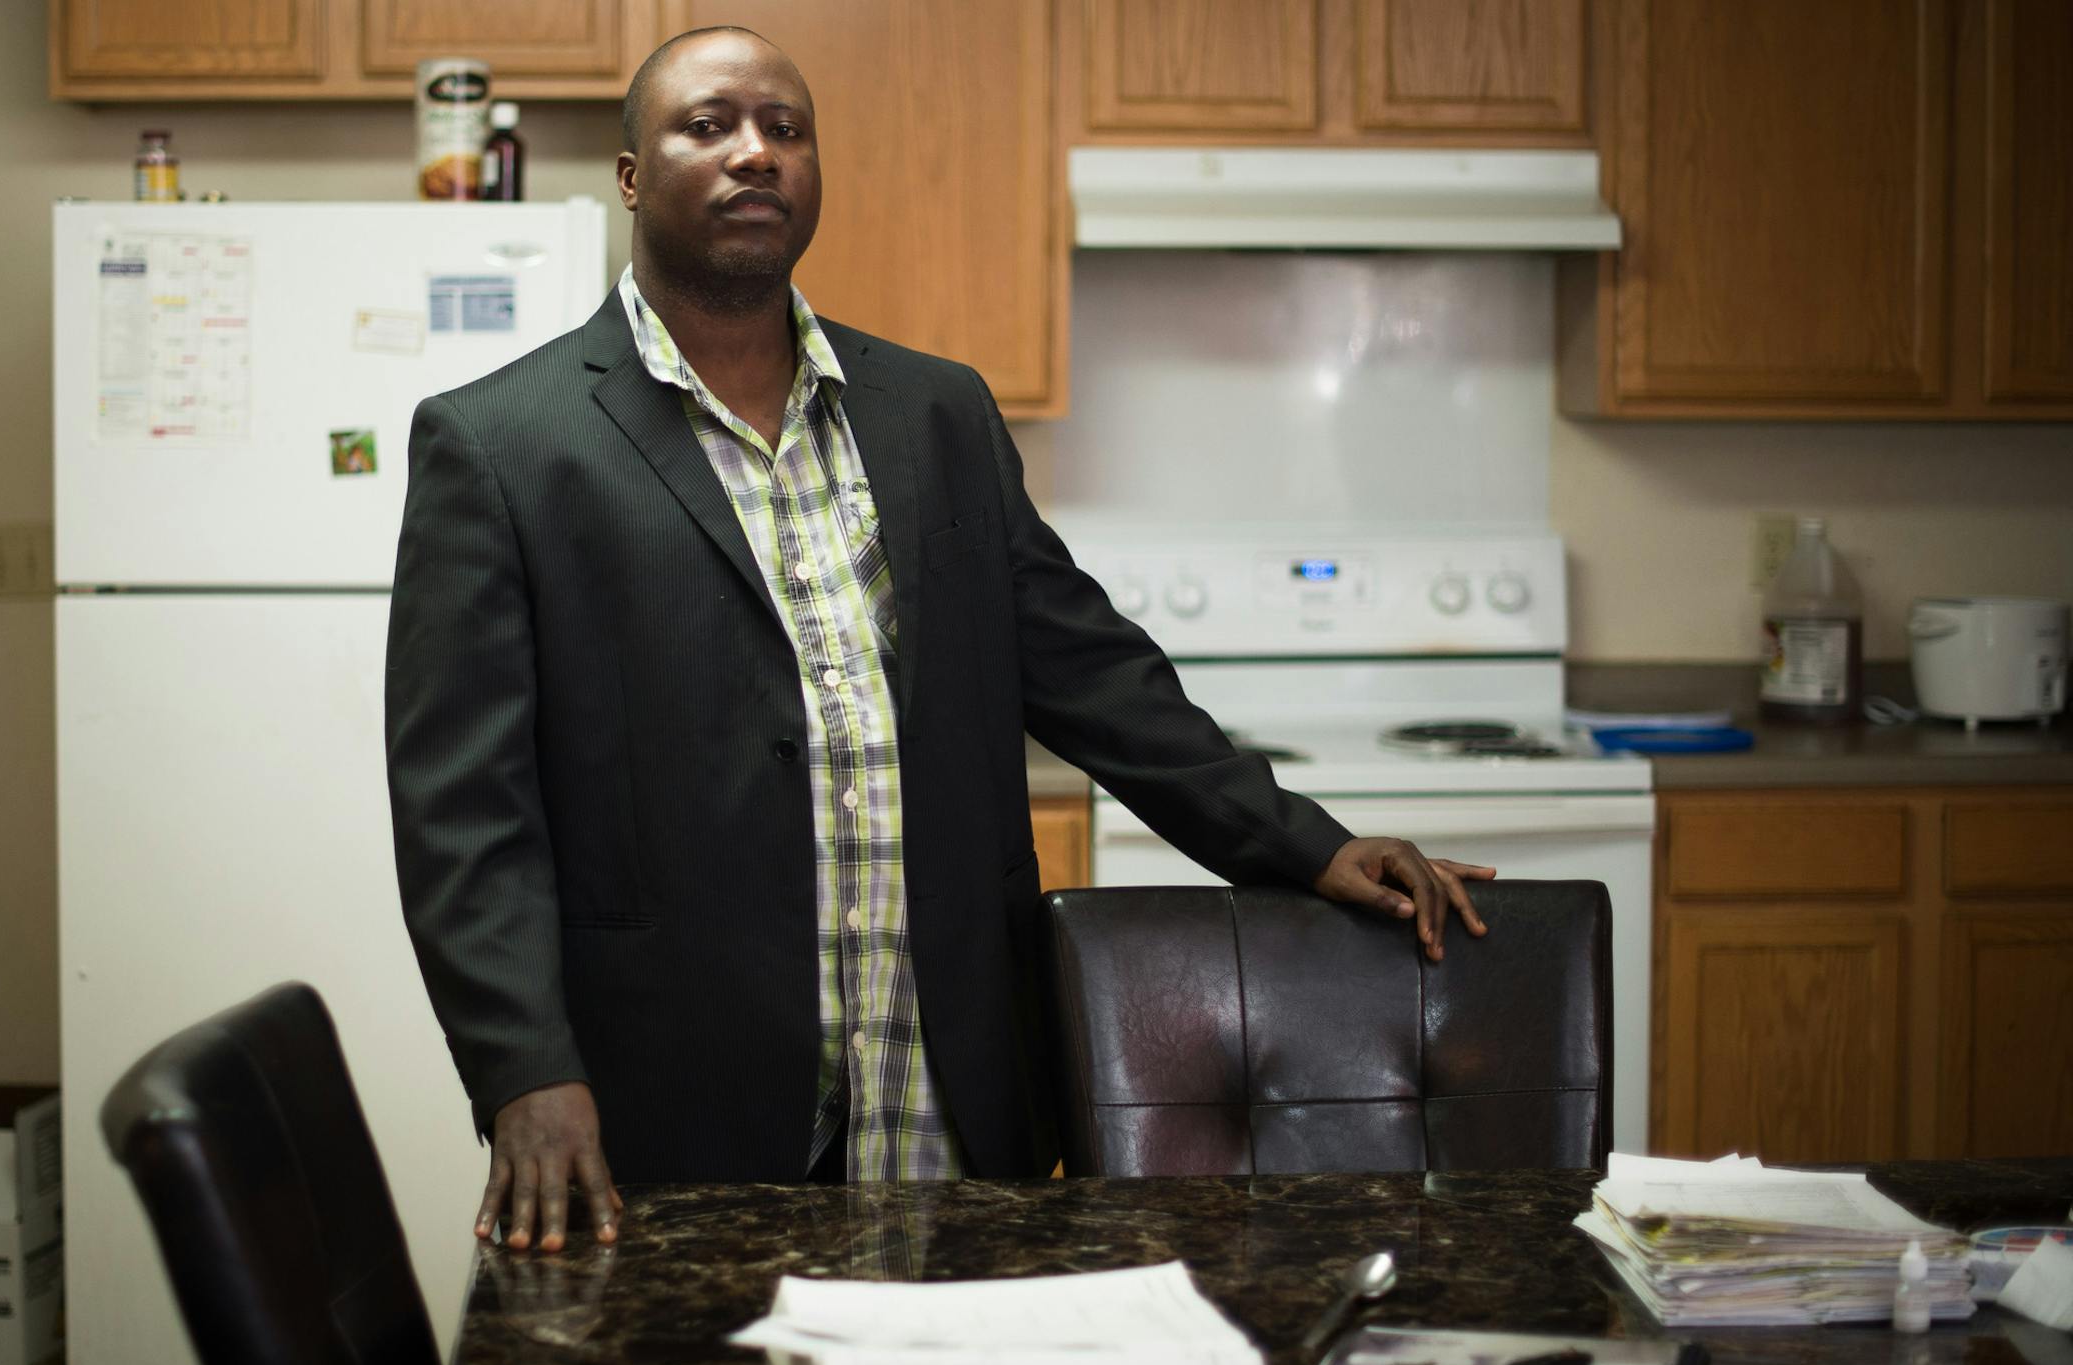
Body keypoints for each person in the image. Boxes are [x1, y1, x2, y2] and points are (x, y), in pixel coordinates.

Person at [385, 26, 1494, 1256]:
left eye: (787, 129)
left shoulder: (934, 412)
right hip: (675, 1102)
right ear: (633, 176)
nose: (756, 152)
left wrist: (1306, 843)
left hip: (948, 1087)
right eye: (710, 125)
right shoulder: (501, 446)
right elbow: (463, 814)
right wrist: (524, 1071)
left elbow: (1090, 672)